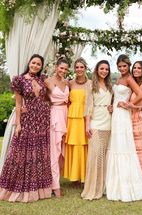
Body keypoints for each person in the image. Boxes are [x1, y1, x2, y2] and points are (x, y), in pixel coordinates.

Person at [0, 54, 52, 202]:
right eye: (33, 63)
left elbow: (49, 94)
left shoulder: (42, 79)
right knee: (21, 152)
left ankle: (39, 189)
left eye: (38, 64)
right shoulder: (19, 80)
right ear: (29, 63)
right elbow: (18, 103)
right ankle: (18, 187)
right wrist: (18, 123)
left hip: (42, 119)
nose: (35, 66)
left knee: (39, 152)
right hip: (27, 119)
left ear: (41, 67)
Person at [106, 54, 142, 202]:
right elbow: (115, 96)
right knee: (116, 145)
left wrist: (128, 104)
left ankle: (127, 184)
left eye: (124, 66)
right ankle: (115, 183)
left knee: (124, 145)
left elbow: (141, 94)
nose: (122, 68)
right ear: (117, 65)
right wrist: (113, 105)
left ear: (128, 66)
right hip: (116, 115)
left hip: (123, 115)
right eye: (120, 65)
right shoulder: (117, 79)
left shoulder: (129, 78)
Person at [81, 60, 113, 200]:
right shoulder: (90, 85)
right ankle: (92, 188)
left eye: (106, 69)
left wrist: (111, 108)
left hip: (108, 122)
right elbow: (88, 107)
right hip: (96, 122)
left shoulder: (110, 86)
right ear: (97, 69)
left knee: (105, 157)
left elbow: (112, 103)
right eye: (102, 68)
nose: (104, 71)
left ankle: (103, 187)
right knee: (95, 156)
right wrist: (88, 125)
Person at [63, 57, 92, 185]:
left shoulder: (91, 83)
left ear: (86, 68)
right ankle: (74, 176)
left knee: (84, 144)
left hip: (85, 116)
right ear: (74, 69)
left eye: (82, 67)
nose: (79, 69)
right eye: (77, 67)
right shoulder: (70, 83)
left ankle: (85, 175)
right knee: (73, 144)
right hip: (72, 117)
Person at [45, 57, 69, 198]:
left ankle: (57, 180)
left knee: (62, 152)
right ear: (56, 67)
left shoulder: (66, 82)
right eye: (61, 68)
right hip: (55, 115)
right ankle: (55, 186)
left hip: (66, 115)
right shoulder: (47, 81)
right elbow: (40, 97)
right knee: (55, 151)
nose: (63, 71)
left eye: (66, 69)